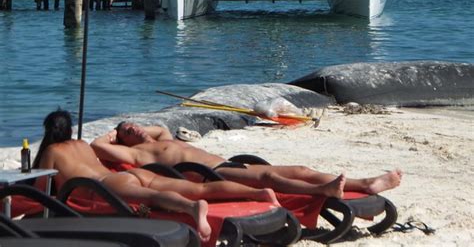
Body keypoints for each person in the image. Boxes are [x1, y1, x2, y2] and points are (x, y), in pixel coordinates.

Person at [34, 110, 285, 242]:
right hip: (132, 174)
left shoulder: (52, 151)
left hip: (107, 186)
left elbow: (41, 187)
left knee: (156, 197)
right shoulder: (82, 144)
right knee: (197, 188)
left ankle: (191, 208)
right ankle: (257, 193)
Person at [91, 122, 402, 199]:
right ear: (124, 141)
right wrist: (113, 135)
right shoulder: (136, 153)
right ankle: (321, 191)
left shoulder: (162, 137)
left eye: (130, 123)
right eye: (125, 130)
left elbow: (158, 128)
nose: (130, 127)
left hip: (226, 164)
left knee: (301, 169)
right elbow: (97, 145)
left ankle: (366, 184)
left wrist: (139, 130)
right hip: (207, 175)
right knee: (270, 180)